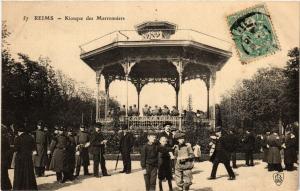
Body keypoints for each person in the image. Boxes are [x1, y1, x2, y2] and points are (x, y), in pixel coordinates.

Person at [13, 123, 37, 190]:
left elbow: (16, 149)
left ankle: (19, 187)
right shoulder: (30, 137)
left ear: (19, 131)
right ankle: (29, 187)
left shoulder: (17, 138)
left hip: (20, 158)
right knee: (28, 172)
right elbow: (34, 148)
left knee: (19, 173)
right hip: (28, 158)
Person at [1, 125, 12, 190]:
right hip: (4, 158)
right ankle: (7, 186)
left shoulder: (4, 139)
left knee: (3, 173)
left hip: (3, 158)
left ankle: (6, 187)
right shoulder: (5, 139)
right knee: (4, 173)